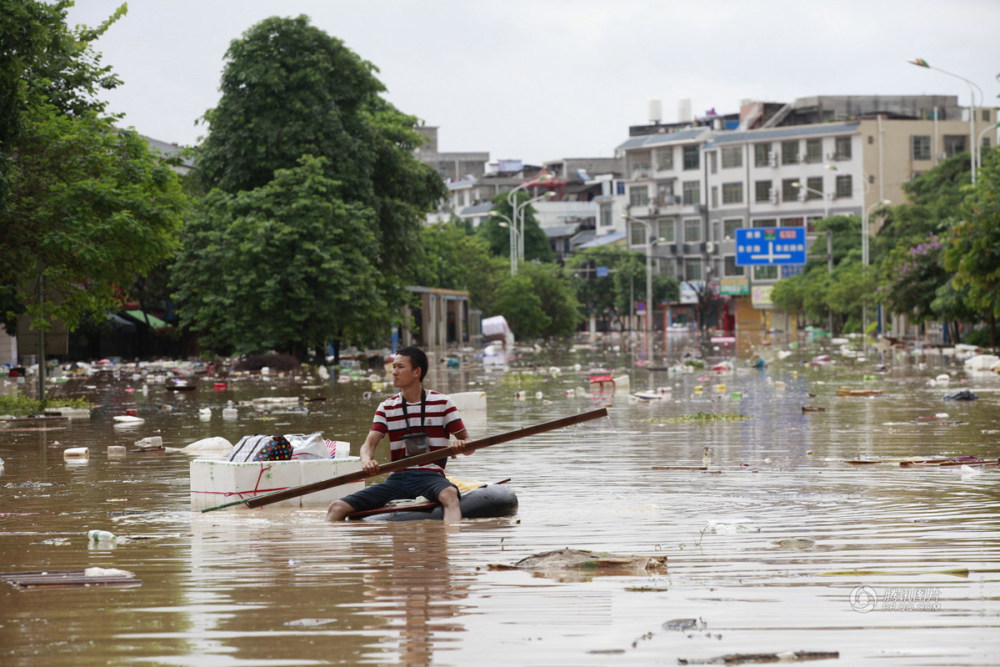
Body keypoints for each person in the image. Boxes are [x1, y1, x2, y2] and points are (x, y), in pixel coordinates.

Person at [326, 346, 470, 522]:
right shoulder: (386, 407)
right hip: (397, 478)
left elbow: (468, 444)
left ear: (417, 371)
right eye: (393, 367)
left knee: (449, 494)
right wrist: (367, 461)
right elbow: (368, 445)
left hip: (431, 477)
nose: (394, 372)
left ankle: (450, 545)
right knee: (337, 507)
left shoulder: (443, 403)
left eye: (400, 367)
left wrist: (460, 445)